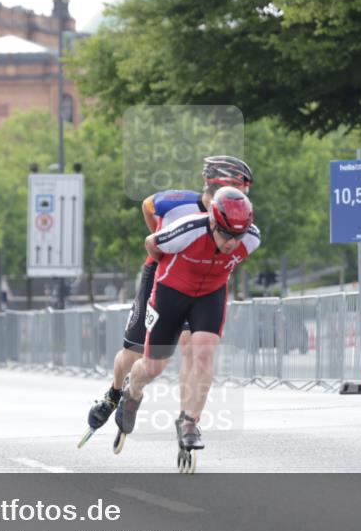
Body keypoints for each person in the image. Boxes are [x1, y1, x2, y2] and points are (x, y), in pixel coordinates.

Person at [79, 155, 254, 448]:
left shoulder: (235, 216)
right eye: (238, 186)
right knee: (134, 351)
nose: (243, 195)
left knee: (193, 348)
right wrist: (159, 237)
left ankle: (188, 419)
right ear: (216, 183)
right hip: (159, 276)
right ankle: (113, 393)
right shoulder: (178, 201)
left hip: (196, 284)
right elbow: (148, 206)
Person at [114, 188, 260, 471]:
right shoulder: (187, 230)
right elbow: (151, 243)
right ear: (214, 223)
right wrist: (170, 269)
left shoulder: (251, 238)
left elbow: (234, 251)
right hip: (171, 292)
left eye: (238, 236)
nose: (232, 243)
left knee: (203, 353)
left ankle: (190, 421)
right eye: (226, 234)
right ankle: (133, 390)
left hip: (210, 294)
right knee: (154, 366)